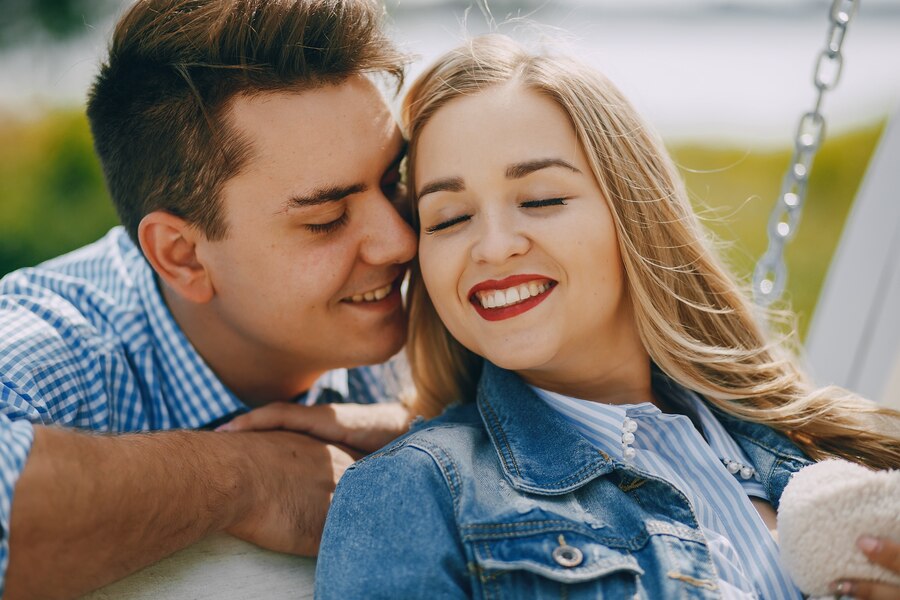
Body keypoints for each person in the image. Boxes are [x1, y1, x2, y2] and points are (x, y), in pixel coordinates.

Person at [313, 35, 900, 599]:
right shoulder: (414, 492)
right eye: (447, 218)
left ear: (634, 215)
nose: (492, 247)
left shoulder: (820, 449)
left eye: (541, 199)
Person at [0, 0, 419, 597]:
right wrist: (245, 479)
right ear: (183, 255)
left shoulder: (445, 295)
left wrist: (426, 429)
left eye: (392, 181)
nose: (400, 241)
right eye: (327, 219)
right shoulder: (56, 341)